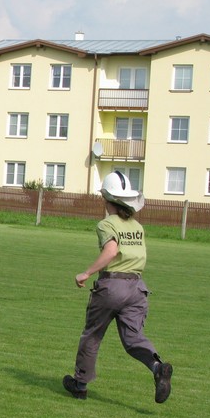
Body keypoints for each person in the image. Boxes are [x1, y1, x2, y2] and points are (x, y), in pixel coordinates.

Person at [63, 171, 172, 403]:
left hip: (112, 286)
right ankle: (157, 367)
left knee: (92, 335)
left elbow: (111, 251)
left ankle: (80, 385)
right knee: (133, 339)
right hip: (137, 288)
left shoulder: (106, 224)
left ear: (106, 198)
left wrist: (87, 272)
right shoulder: (138, 227)